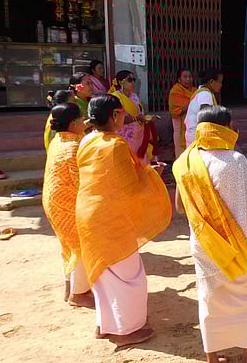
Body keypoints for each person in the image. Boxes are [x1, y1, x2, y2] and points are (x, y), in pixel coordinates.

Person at [76, 94, 172, 348]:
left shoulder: (86, 139)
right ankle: (126, 331)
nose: (124, 117)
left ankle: (105, 325)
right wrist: (152, 174)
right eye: (121, 113)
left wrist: (145, 172)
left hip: (87, 213)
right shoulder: (115, 145)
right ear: (113, 115)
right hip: (110, 217)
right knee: (128, 277)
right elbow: (129, 187)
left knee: (104, 275)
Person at [173, 105, 247, 363]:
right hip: (237, 246)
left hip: (205, 244)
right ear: (226, 128)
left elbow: (179, 207)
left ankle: (212, 357)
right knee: (246, 298)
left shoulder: (185, 162)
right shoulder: (237, 161)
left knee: (209, 300)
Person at [42, 102, 92, 308]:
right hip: (67, 204)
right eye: (81, 119)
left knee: (68, 245)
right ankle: (78, 295)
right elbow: (82, 181)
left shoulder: (59, 139)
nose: (84, 122)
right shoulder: (72, 148)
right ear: (73, 124)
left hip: (54, 202)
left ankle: (69, 287)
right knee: (81, 246)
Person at [109, 70, 159, 165]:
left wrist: (149, 118)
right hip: (124, 135)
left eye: (133, 80)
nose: (133, 83)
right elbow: (116, 119)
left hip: (138, 133)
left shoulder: (134, 96)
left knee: (140, 161)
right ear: (120, 82)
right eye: (129, 80)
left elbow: (140, 114)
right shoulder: (115, 97)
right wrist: (138, 119)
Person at [185, 68, 223, 146]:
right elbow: (205, 116)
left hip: (194, 134)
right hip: (198, 136)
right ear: (211, 82)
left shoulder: (203, 92)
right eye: (220, 82)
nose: (221, 85)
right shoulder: (205, 94)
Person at [168, 68, 195, 158]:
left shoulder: (194, 91)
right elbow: (174, 110)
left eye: (190, 77)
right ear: (179, 79)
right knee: (180, 148)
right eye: (185, 77)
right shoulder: (175, 91)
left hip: (192, 124)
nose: (188, 79)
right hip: (179, 124)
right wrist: (192, 105)